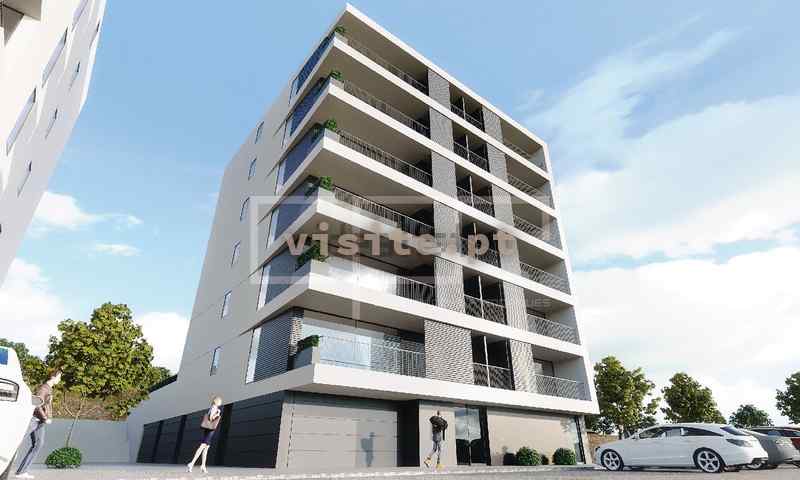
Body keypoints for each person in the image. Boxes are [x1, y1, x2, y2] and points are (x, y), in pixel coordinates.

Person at [15, 369, 62, 479]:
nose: (60, 380)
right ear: (53, 377)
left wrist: (48, 417)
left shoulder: (49, 389)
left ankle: (22, 472)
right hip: (34, 420)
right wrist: (45, 418)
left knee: (39, 444)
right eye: (59, 377)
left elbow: (47, 405)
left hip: (39, 422)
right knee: (17, 441)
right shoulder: (43, 388)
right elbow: (36, 404)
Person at [187, 396, 222, 474]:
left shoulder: (213, 407)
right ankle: (192, 463)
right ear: (217, 401)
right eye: (220, 401)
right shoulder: (214, 407)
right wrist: (218, 414)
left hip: (209, 430)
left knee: (206, 448)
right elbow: (211, 418)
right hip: (210, 430)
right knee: (202, 446)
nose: (221, 402)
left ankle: (203, 465)